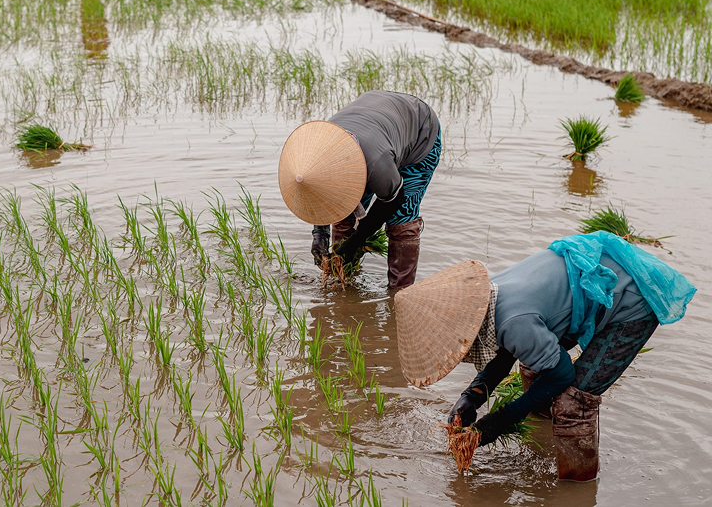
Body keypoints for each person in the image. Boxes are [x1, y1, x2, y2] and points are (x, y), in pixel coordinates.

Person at [393, 232, 696, 481]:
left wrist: (501, 420)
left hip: (632, 300)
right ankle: (545, 441)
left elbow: (560, 372)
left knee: (573, 402)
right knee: (535, 365)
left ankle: (577, 485)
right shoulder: (489, 295)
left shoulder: (514, 321)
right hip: (593, 280)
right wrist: (472, 396)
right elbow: (509, 346)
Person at [278, 90, 441, 290]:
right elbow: (320, 191)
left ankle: (399, 294)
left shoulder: (375, 163)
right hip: (377, 123)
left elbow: (394, 199)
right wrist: (319, 235)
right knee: (344, 213)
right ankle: (342, 279)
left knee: (401, 220)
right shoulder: (317, 153)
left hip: (419, 131)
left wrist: (356, 241)